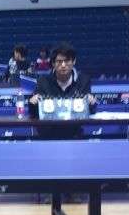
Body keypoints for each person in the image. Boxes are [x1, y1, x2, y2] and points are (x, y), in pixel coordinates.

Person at [28, 43, 96, 204]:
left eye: (67, 61)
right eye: (59, 61)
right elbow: (34, 112)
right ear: (53, 63)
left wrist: (92, 103)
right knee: (52, 150)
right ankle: (53, 191)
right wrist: (32, 103)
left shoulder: (84, 80)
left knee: (75, 147)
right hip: (49, 131)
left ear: (73, 62)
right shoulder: (43, 81)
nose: (63, 65)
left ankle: (73, 190)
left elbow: (90, 111)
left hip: (73, 130)